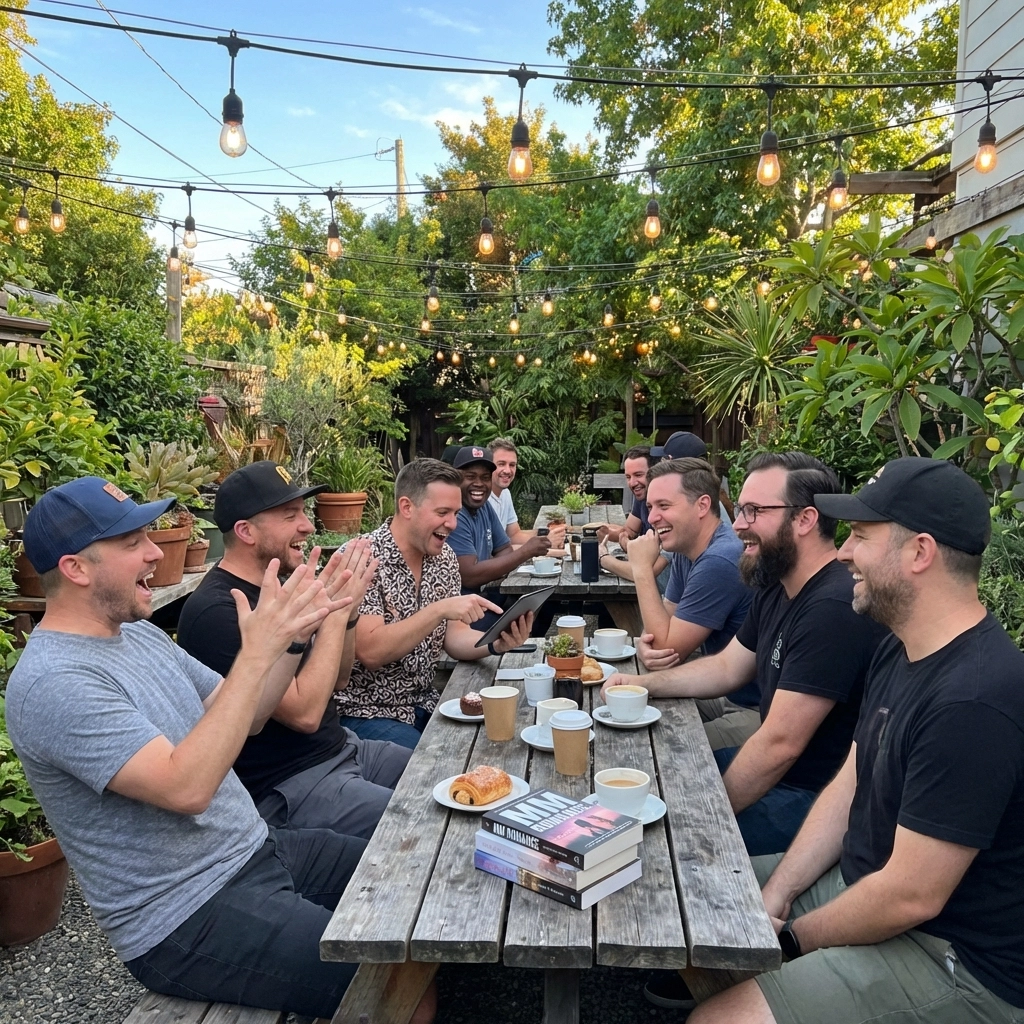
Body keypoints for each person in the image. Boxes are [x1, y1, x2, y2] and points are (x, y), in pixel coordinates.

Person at [3, 477, 435, 1022]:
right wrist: (256, 654)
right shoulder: (55, 682)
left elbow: (248, 717)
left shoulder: (139, 636)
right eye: (133, 542)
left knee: (414, 879)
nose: (157, 552)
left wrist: (291, 635)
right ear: (77, 569)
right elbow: (187, 788)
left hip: (253, 847)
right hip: (186, 913)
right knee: (400, 986)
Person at [689, 457, 1024, 1024]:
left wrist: (793, 938)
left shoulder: (975, 699)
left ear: (920, 553)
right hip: (861, 883)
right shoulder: (901, 644)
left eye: (862, 537)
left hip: (952, 956)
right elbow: (851, 781)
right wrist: (779, 892)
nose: (842, 553)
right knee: (694, 902)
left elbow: (910, 896)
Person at [605, 452, 889, 860]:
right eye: (740, 510)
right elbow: (725, 667)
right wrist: (640, 684)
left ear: (805, 520)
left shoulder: (833, 606)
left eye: (753, 511)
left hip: (811, 798)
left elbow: (779, 745)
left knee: (652, 848)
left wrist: (703, 815)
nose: (737, 525)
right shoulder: (779, 582)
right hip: (781, 779)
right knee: (647, 785)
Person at [177, 461, 412, 841]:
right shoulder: (219, 611)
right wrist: (332, 613)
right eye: (290, 516)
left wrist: (347, 615)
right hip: (292, 784)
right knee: (418, 823)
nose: (306, 525)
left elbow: (337, 678)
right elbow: (305, 714)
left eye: (304, 512)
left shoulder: (281, 588)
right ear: (245, 531)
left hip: (343, 750)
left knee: (443, 776)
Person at [337, 458, 532, 748]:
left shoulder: (444, 560)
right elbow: (371, 651)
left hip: (424, 702)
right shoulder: (360, 558)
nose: (452, 524)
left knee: (497, 738)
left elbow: (454, 637)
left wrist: (494, 643)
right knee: (434, 759)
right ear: (407, 507)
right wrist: (438, 609)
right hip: (364, 712)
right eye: (442, 512)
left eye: (455, 513)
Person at [620, 459, 755, 737]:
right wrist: (647, 644)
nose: (653, 517)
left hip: (755, 710)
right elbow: (660, 628)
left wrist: (642, 569)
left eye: (664, 506)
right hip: (722, 691)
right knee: (623, 708)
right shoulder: (687, 550)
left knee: (666, 745)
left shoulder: (721, 559)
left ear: (703, 505)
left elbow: (667, 647)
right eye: (650, 507)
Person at [446, 446, 553, 629]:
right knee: (513, 627)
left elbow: (505, 549)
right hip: (457, 606)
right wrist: (526, 552)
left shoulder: (484, 507)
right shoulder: (455, 515)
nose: (479, 483)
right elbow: (469, 576)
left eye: (485, 477)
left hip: (482, 593)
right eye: (470, 477)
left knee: (546, 602)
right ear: (456, 480)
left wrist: (487, 567)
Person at [596, 445, 672, 592]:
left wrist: (604, 558)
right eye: (628, 477)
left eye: (638, 475)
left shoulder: (672, 512)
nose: (632, 483)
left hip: (664, 593)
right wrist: (621, 538)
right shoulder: (642, 496)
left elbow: (646, 572)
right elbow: (629, 530)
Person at [488, 437, 566, 550]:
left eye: (512, 465)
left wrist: (548, 533)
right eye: (501, 464)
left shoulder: (505, 494)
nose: (507, 470)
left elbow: (514, 535)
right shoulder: (482, 501)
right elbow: (495, 551)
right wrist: (546, 545)